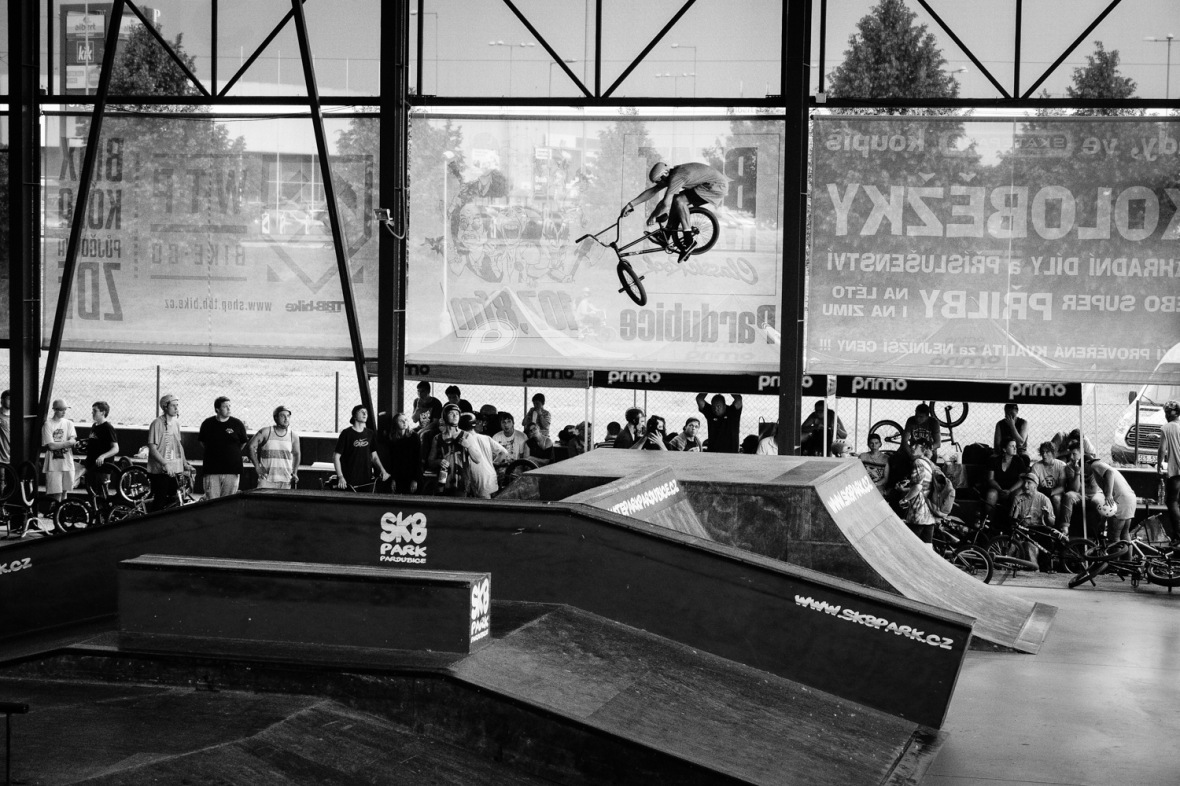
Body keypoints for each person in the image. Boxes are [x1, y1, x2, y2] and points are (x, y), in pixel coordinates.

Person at [622, 161, 730, 263]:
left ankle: (689, 241)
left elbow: (665, 204)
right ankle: (666, 234)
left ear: (665, 175)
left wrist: (653, 216)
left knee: (679, 200)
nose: (659, 184)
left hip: (716, 186)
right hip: (710, 183)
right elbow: (653, 191)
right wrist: (630, 205)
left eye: (659, 181)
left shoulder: (677, 177)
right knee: (676, 198)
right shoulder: (672, 174)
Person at [147, 394, 195, 511]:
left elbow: (179, 446)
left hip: (174, 470)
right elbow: (152, 449)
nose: (176, 408)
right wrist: (165, 463)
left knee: (173, 501)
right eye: (173, 405)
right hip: (160, 471)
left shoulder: (176, 423)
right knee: (159, 502)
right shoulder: (157, 423)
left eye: (177, 405)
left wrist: (185, 463)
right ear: (165, 407)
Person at [198, 396, 248, 499]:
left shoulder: (237, 424)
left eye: (230, 406)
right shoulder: (207, 423)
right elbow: (202, 442)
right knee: (212, 500)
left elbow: (243, 442)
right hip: (212, 469)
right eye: (225, 407)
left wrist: (232, 452)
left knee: (228, 500)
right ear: (217, 409)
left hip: (232, 469)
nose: (229, 409)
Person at [333, 404, 391, 491]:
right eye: (361, 412)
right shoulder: (346, 433)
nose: (365, 414)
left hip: (366, 478)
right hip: (349, 478)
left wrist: (383, 471)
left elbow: (374, 457)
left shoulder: (370, 434)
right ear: (354, 416)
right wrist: (340, 477)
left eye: (366, 412)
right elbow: (336, 457)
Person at [427, 403, 479, 496]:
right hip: (443, 483)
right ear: (445, 416)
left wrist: (468, 446)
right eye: (451, 413)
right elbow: (430, 461)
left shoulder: (466, 436)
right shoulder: (437, 438)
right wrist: (438, 461)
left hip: (461, 483)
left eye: (457, 414)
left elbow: (477, 459)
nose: (455, 416)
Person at [1086, 455, 1136, 544]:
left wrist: (1108, 495)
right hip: (1129, 499)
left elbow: (1110, 472)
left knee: (1114, 537)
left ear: (1086, 464)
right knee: (1125, 534)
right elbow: (1108, 506)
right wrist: (1103, 521)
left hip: (1121, 500)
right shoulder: (1100, 469)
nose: (1084, 473)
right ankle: (1127, 554)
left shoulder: (1094, 464)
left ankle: (1115, 554)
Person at [982, 436, 1030, 529]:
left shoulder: (1019, 461)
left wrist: (1010, 491)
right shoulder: (994, 460)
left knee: (1018, 494)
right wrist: (1000, 489)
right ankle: (988, 523)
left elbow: (1022, 480)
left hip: (1013, 489)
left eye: (1015, 446)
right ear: (1004, 449)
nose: (1015, 448)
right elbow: (990, 479)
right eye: (1012, 446)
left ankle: (1014, 524)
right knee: (991, 494)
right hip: (998, 488)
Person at [249, 405, 301, 490]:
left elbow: (296, 454)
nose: (286, 419)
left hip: (286, 480)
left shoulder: (293, 436)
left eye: (288, 416)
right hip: (266, 480)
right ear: (276, 418)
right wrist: (257, 467)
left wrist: (295, 472)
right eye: (282, 416)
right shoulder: (266, 432)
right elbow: (251, 446)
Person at [900, 437, 938, 548]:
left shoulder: (918, 462)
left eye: (916, 445)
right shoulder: (929, 463)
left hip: (918, 512)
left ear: (924, 449)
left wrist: (905, 499)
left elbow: (917, 487)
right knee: (927, 547)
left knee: (911, 547)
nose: (912, 447)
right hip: (929, 513)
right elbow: (924, 486)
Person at [459, 412, 507, 499]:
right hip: (491, 476)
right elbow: (504, 452)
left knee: (485, 505)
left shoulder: (464, 441)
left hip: (479, 478)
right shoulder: (485, 438)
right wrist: (493, 463)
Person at [42, 399, 79, 504]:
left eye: (65, 409)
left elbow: (73, 440)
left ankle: (62, 511)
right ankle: (56, 510)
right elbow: (51, 446)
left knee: (65, 492)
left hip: (67, 462)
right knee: (56, 493)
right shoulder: (48, 424)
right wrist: (67, 443)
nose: (64, 412)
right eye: (61, 410)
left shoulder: (69, 423)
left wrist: (61, 444)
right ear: (55, 410)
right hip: (53, 464)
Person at [83, 402, 120, 495]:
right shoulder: (94, 426)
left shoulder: (108, 428)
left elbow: (115, 448)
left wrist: (103, 456)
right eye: (92, 410)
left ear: (103, 412)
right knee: (92, 493)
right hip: (92, 465)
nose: (92, 413)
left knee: (102, 494)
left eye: (95, 411)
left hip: (103, 467)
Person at [1158, 400, 1180, 547]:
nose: (1165, 415)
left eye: (1167, 412)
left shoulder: (1166, 428)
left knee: (1171, 501)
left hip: (1176, 471)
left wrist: (1159, 464)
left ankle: (1177, 537)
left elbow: (1162, 449)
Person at [1031, 441, 1067, 529]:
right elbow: (1034, 485)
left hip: (1056, 492)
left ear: (1053, 453)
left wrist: (1050, 492)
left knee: (1056, 499)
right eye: (1042, 452)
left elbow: (1062, 487)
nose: (1044, 455)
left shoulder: (1061, 465)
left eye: (1047, 452)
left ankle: (1058, 526)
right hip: (1041, 492)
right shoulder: (1036, 466)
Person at [384, 412, 420, 494]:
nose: (404, 422)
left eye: (406, 420)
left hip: (412, 475)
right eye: (401, 420)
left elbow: (417, 459)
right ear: (395, 424)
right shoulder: (392, 440)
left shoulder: (414, 437)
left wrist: (415, 479)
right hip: (399, 475)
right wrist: (393, 479)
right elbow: (392, 461)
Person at [492, 411, 527, 487]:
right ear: (500, 424)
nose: (506, 425)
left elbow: (523, 457)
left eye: (509, 422)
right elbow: (494, 457)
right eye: (503, 422)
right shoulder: (496, 437)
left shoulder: (522, 437)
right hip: (501, 466)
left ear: (513, 423)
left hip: (516, 465)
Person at [0, 389, 11, 465]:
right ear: (2, 400)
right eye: (9, 399)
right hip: (2, 456)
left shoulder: (16, 415)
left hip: (13, 453)